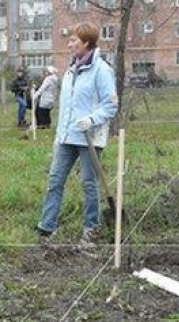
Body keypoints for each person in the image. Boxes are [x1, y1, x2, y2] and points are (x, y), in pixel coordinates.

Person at [35, 23, 117, 247]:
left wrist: (91, 119)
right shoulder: (71, 70)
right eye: (69, 40)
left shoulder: (102, 70)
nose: (69, 44)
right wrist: (59, 134)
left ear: (87, 43)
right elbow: (67, 106)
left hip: (90, 138)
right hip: (67, 137)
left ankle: (91, 230)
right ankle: (46, 227)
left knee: (88, 183)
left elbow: (111, 106)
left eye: (74, 40)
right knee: (55, 181)